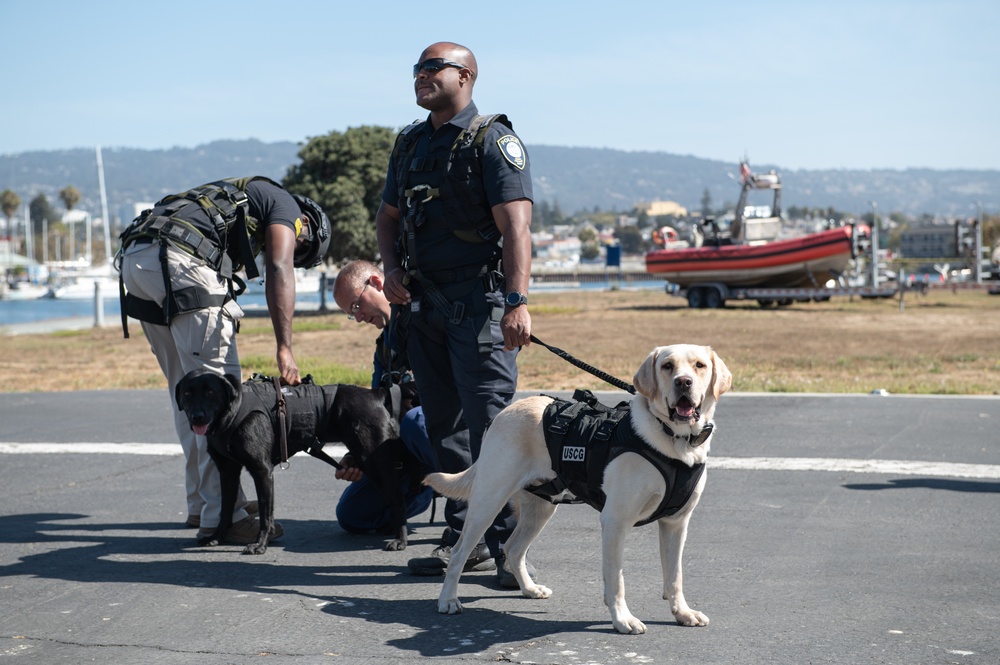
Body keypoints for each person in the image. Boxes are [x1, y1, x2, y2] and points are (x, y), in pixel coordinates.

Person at [375, 42, 534, 587]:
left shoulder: (493, 139)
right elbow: (388, 218)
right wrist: (391, 269)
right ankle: (463, 539)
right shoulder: (410, 142)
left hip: (480, 307)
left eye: (432, 68)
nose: (420, 76)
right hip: (425, 310)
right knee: (446, 427)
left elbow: (516, 228)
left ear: (465, 75)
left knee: (495, 427)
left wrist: (516, 303)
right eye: (416, 68)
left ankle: (508, 547)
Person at [116, 176, 330, 545]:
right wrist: (284, 346)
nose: (287, 247)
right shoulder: (286, 207)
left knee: (189, 397)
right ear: (307, 225)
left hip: (138, 257)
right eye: (301, 247)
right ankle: (224, 517)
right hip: (179, 261)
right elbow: (280, 267)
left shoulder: (240, 193)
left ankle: (203, 503)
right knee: (222, 401)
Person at [331, 260, 434, 533]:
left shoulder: (426, 319)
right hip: (407, 450)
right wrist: (358, 455)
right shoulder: (384, 349)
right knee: (352, 515)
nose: (359, 318)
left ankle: (480, 498)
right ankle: (427, 489)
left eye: (355, 307)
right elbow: (376, 412)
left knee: (415, 422)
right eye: (351, 314)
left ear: (377, 283)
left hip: (441, 430)